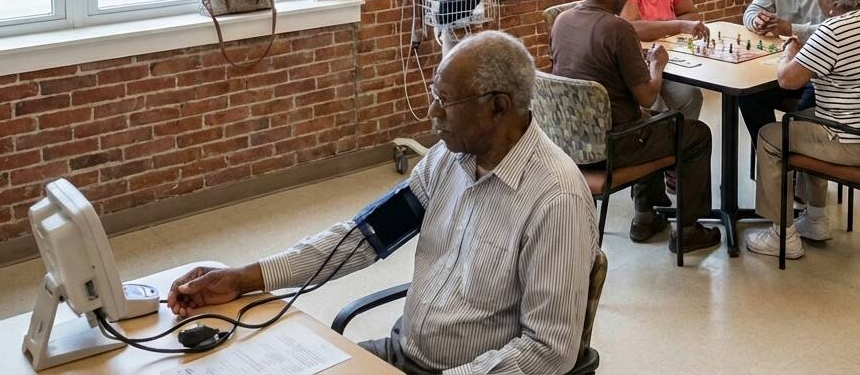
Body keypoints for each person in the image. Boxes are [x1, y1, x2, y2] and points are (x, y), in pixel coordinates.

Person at [164, 32, 599, 375]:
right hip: (402, 353)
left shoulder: (555, 200)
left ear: (499, 107)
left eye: (444, 102)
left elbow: (548, 351)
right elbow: (363, 238)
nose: (431, 113)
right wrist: (247, 277)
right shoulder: (449, 158)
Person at [551, 0, 722, 252]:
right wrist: (657, 64)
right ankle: (687, 230)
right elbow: (648, 94)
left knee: (649, 121)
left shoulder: (562, 21)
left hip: (570, 142)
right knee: (694, 134)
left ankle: (646, 215)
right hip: (616, 145)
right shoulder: (618, 30)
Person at [743, 0, 860, 259]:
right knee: (807, 119)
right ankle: (815, 218)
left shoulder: (833, 31)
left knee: (770, 136)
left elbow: (787, 79)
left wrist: (789, 47)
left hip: (854, 142)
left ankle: (782, 235)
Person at [739, 0, 825, 142]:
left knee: (809, 103)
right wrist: (756, 21)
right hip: (785, 64)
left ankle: (795, 154)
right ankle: (773, 152)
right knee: (748, 96)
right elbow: (751, 11)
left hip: (817, 72)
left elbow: (831, 30)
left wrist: (790, 29)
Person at [622, 0, 707, 124]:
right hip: (641, 64)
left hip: (670, 59)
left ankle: (681, 149)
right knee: (677, 98)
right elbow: (632, 28)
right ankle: (667, 145)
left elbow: (692, 14)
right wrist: (676, 25)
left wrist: (659, 26)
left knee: (691, 95)